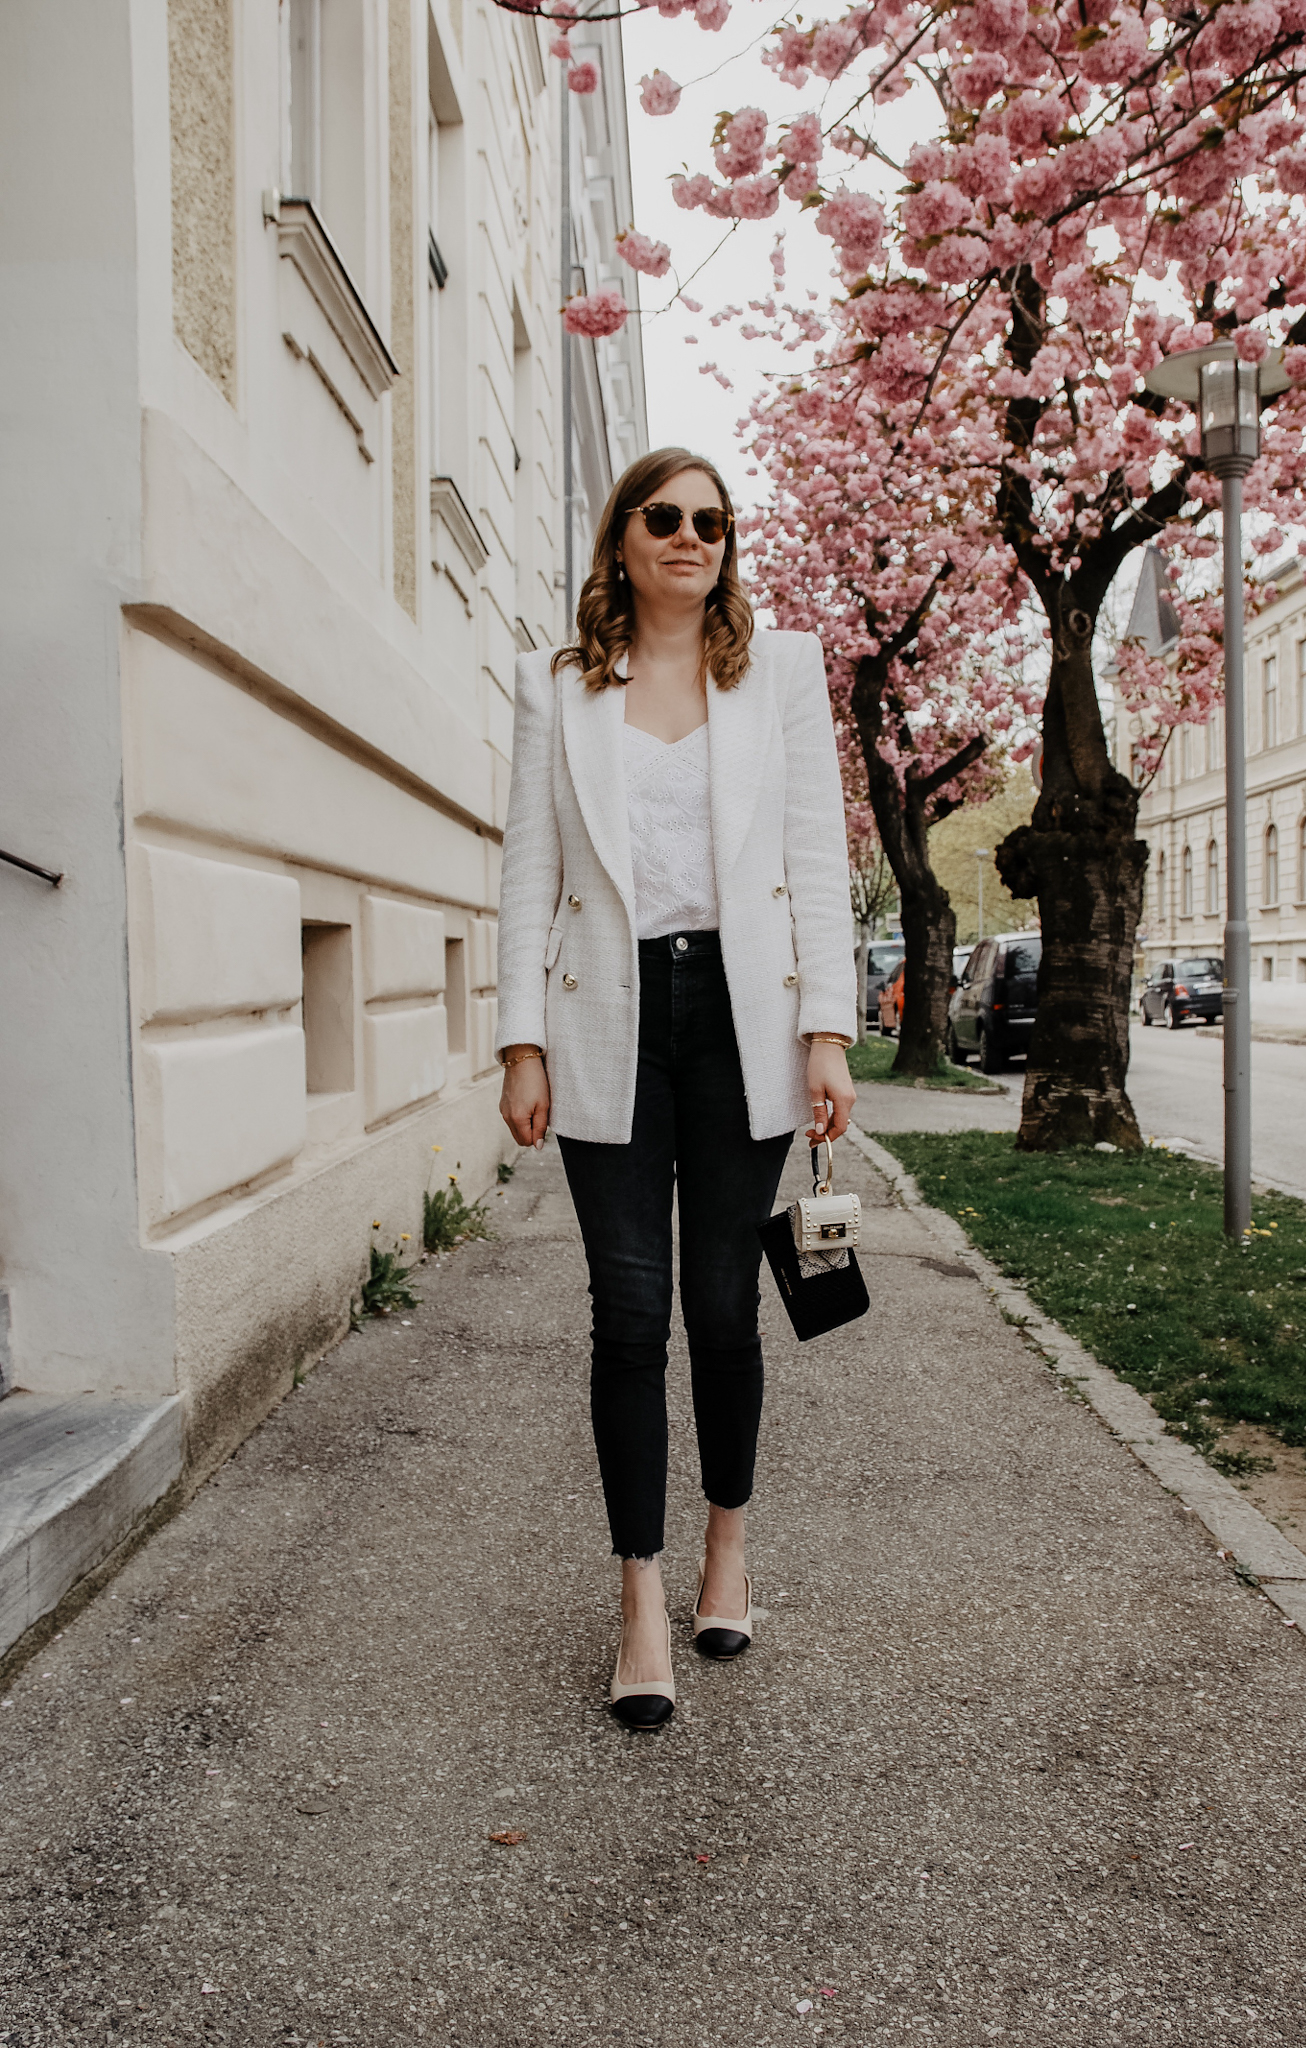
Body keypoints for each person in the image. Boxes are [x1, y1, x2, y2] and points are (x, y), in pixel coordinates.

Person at [496, 448, 856, 1727]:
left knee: (722, 1301)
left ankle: (725, 1549)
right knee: (628, 1309)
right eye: (665, 516)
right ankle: (640, 1594)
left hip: (741, 1020)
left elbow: (816, 855)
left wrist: (829, 1027)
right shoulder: (561, 687)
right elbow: (527, 872)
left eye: (711, 520)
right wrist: (519, 1039)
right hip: (611, 1017)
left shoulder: (782, 673)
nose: (690, 536)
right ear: (624, 536)